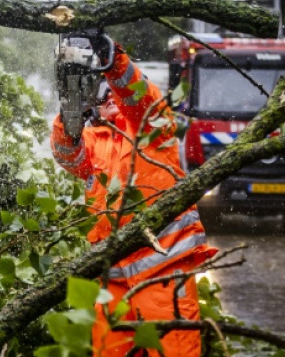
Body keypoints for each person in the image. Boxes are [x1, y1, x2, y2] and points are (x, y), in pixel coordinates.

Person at [51, 39, 217, 357]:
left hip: (163, 274)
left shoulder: (156, 126)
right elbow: (65, 153)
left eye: (113, 91)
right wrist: (70, 109)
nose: (110, 96)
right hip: (110, 279)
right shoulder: (93, 140)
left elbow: (137, 96)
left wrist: (109, 57)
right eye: (103, 92)